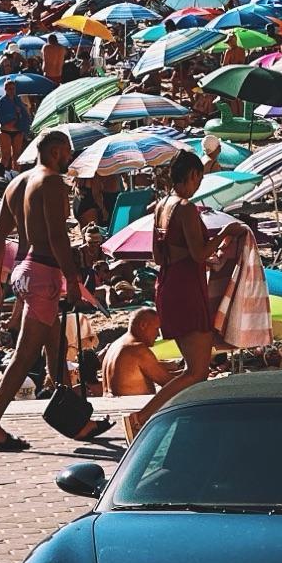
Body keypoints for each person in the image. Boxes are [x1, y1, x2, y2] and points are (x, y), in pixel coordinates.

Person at [0, 128, 95, 452]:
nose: (69, 158)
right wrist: (72, 278)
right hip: (43, 272)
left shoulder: (16, 183)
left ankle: (76, 421)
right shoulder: (52, 183)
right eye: (67, 152)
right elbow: (57, 237)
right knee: (25, 354)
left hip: (24, 270)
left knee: (55, 347)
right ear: (55, 152)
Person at [129, 149, 216, 437]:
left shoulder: (161, 206)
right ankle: (142, 417)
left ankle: (185, 422)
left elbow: (158, 255)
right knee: (197, 370)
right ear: (192, 175)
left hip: (168, 284)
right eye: (199, 179)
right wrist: (227, 234)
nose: (199, 185)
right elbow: (199, 252)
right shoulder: (186, 208)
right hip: (187, 288)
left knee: (193, 369)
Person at [101, 307, 174, 397]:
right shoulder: (138, 349)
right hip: (133, 405)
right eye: (156, 329)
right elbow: (170, 383)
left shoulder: (115, 345)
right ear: (143, 325)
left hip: (113, 404)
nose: (158, 334)